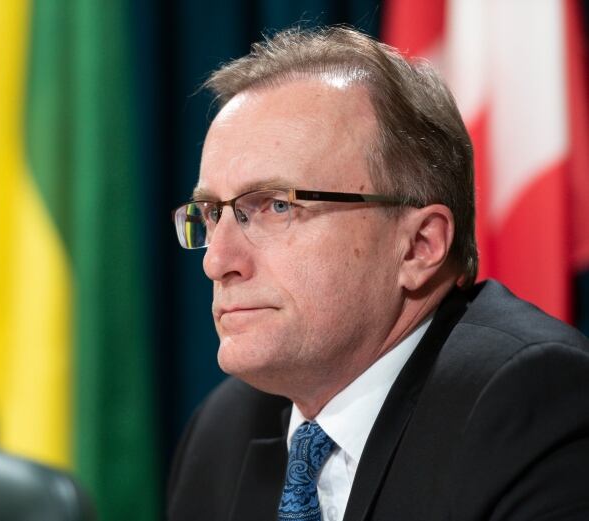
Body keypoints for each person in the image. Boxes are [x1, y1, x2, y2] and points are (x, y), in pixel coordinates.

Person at [167, 25, 589, 521]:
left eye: (276, 207)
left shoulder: (533, 404)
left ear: (419, 245)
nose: (216, 261)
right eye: (212, 213)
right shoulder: (223, 431)